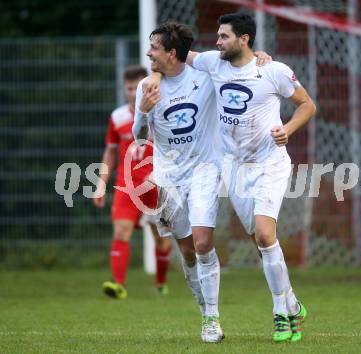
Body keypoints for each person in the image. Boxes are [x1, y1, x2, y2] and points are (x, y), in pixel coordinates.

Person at [186, 13, 316, 342]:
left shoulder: (272, 70)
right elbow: (175, 53)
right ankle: (293, 305)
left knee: (263, 233)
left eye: (224, 36)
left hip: (270, 164)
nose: (217, 41)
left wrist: (286, 130)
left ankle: (280, 315)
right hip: (234, 167)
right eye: (217, 36)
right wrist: (156, 68)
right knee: (259, 241)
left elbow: (306, 105)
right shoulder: (213, 63)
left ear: (244, 39)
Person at [132, 22, 225, 343]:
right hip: (169, 178)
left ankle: (212, 318)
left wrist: (262, 58)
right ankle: (203, 310)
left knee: (202, 243)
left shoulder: (205, 76)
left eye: (154, 47)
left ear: (172, 53)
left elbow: (237, 63)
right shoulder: (148, 87)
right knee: (186, 253)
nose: (148, 53)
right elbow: (139, 139)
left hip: (204, 170)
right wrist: (144, 112)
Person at [93, 65, 172, 300]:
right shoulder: (117, 118)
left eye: (137, 87)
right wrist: (100, 183)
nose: (133, 92)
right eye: (129, 88)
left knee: (160, 238)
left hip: (154, 186)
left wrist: (161, 173)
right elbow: (110, 152)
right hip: (125, 186)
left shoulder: (162, 114)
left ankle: (161, 282)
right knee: (121, 230)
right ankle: (118, 285)